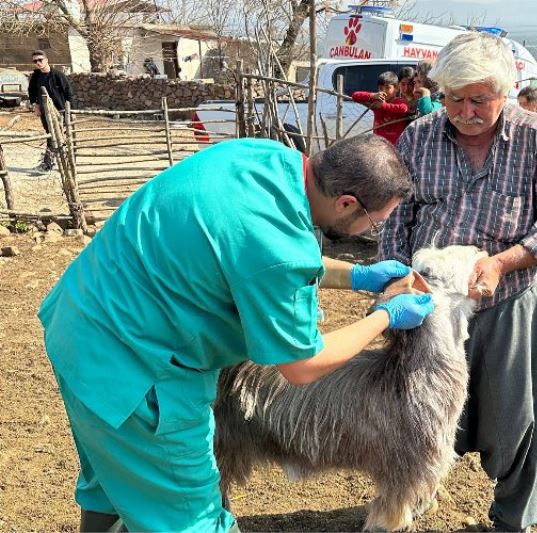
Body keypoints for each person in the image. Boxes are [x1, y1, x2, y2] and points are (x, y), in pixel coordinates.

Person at [39, 135, 435, 532]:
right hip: (136, 375)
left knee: (114, 482)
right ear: (346, 202)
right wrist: (384, 316)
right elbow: (302, 364)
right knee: (190, 518)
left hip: (77, 326)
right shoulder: (279, 248)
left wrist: (357, 275)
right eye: (374, 220)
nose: (374, 228)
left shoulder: (260, 157)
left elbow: (247, 247)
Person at [379, 33, 537, 532]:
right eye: (453, 98)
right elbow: (397, 217)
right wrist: (395, 278)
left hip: (507, 301)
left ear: (506, 91)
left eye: (478, 99)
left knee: (515, 416)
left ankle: (513, 518)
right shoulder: (420, 136)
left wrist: (503, 263)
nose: (463, 110)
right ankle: (416, 492)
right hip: (429, 304)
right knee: (419, 408)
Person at [27, 49, 74, 172]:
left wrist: (71, 112)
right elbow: (31, 92)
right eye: (35, 61)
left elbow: (68, 93)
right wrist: (35, 105)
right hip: (44, 111)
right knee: (51, 134)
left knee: (56, 136)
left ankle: (50, 163)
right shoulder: (35, 77)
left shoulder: (58, 75)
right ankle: (52, 162)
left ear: (47, 60)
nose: (38, 63)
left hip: (60, 111)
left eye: (40, 60)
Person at [351, 71, 409, 145]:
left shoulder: (399, 101)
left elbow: (403, 109)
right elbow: (355, 96)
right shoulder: (377, 100)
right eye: (381, 88)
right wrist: (372, 95)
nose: (383, 91)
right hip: (377, 144)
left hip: (395, 145)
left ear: (397, 88)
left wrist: (383, 106)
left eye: (388, 88)